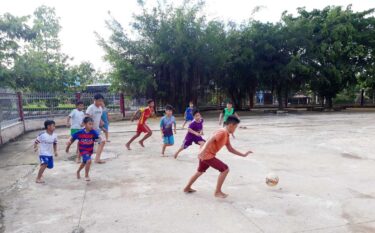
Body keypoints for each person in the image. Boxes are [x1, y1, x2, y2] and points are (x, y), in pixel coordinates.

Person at [183, 116, 252, 198]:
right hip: (207, 154)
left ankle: (187, 188)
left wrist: (243, 155)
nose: (235, 129)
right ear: (231, 125)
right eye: (235, 127)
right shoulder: (222, 132)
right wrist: (203, 151)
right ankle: (217, 192)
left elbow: (230, 149)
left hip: (205, 153)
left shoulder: (226, 135)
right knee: (225, 169)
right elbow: (210, 140)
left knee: (200, 171)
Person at [66, 117, 101, 182]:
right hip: (83, 150)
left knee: (84, 162)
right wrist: (69, 140)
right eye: (89, 124)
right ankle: (86, 175)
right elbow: (72, 136)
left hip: (90, 150)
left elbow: (98, 137)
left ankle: (78, 171)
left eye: (92, 124)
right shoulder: (80, 132)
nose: (91, 126)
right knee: (89, 161)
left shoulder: (93, 132)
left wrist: (101, 140)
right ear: (85, 124)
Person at [86, 93, 106, 164]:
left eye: (102, 101)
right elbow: (87, 117)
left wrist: (102, 125)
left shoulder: (100, 108)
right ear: (94, 100)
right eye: (99, 101)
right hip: (90, 130)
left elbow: (99, 118)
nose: (101, 102)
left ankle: (97, 159)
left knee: (102, 141)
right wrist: (89, 128)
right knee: (87, 144)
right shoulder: (91, 108)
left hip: (97, 129)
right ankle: (80, 158)